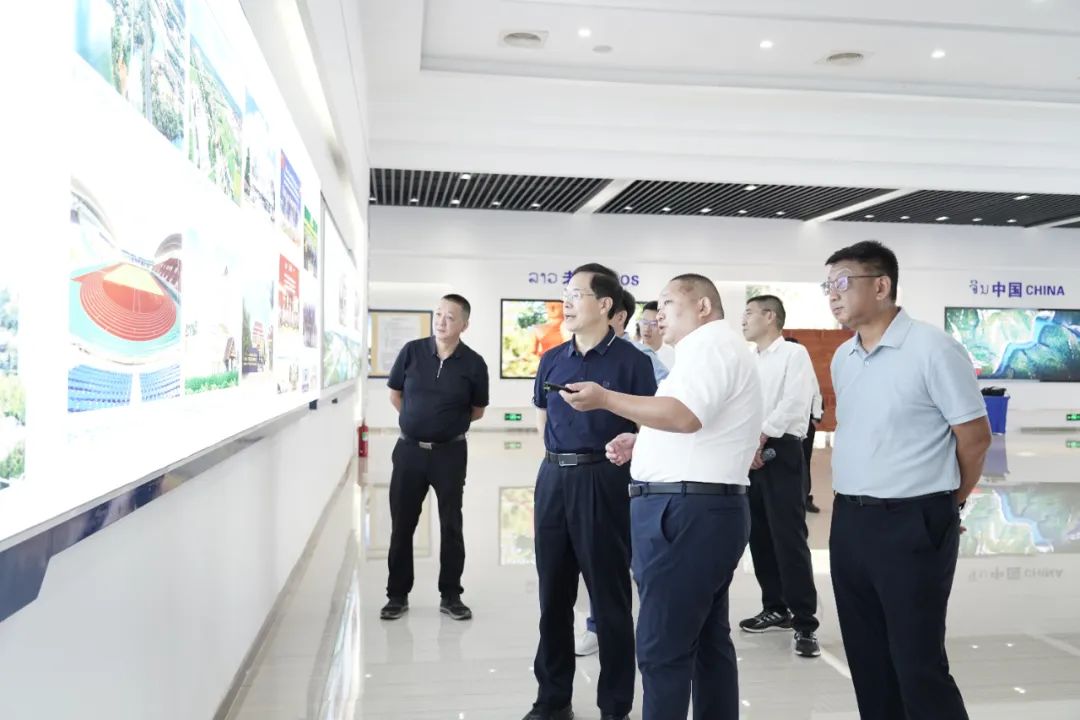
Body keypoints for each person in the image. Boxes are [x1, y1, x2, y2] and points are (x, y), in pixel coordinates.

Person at [561, 274, 762, 720]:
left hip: (686, 513)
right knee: (707, 642)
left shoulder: (710, 347)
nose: (658, 314)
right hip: (703, 508)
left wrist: (606, 399)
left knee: (661, 647)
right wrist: (645, 442)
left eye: (669, 303)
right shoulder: (705, 352)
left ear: (703, 307)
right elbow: (696, 424)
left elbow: (684, 416)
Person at [825, 240, 991, 720]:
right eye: (827, 286)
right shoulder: (843, 357)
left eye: (842, 283)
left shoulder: (933, 348)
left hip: (913, 521)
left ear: (881, 286)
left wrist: (947, 503)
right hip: (850, 521)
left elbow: (975, 438)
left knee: (917, 663)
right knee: (867, 659)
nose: (832, 295)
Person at [525, 264, 657, 720]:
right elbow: (542, 414)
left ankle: (615, 706)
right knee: (552, 595)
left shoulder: (632, 362)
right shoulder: (552, 358)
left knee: (609, 597)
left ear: (604, 304)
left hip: (604, 480)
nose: (567, 302)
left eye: (577, 294)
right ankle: (552, 699)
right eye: (566, 293)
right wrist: (554, 459)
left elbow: (649, 424)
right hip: (553, 479)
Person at [381, 294, 490, 622]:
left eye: (450, 317)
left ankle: (451, 595)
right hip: (409, 452)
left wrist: (444, 426)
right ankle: (397, 595)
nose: (442, 321)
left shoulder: (474, 364)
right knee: (402, 525)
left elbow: (478, 410)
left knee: (451, 524)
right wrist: (417, 422)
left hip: (450, 454)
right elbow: (395, 395)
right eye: (438, 314)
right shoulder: (412, 352)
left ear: (464, 325)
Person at [575, 289, 666, 659]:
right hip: (594, 470)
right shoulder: (586, 356)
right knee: (600, 554)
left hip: (633, 469)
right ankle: (599, 625)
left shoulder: (644, 360)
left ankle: (650, 627)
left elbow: (662, 414)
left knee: (636, 553)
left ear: (615, 315)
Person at [739, 296, 821, 657]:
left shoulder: (793, 354)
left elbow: (795, 402)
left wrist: (761, 436)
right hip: (750, 453)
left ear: (770, 316)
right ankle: (775, 607)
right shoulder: (749, 359)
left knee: (788, 537)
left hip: (781, 450)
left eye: (749, 313)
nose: (743, 320)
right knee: (758, 535)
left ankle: (805, 623)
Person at [786, 336, 825, 514]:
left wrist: (815, 417)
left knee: (803, 461)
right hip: (783, 426)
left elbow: (816, 393)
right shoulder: (777, 368)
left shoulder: (804, 369)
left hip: (804, 424)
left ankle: (804, 498)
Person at [637, 300, 676, 370]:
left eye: (653, 324)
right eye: (644, 322)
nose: (647, 328)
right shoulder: (631, 350)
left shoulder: (673, 356)